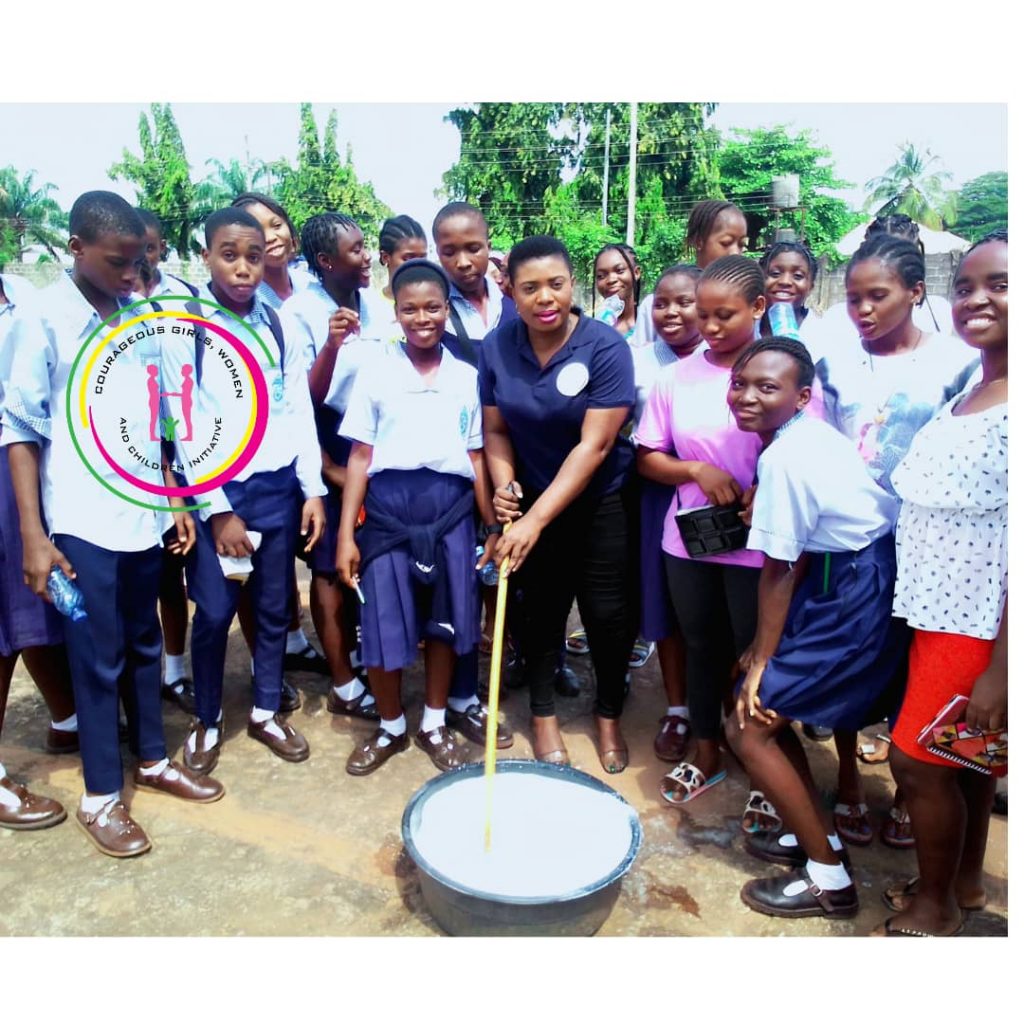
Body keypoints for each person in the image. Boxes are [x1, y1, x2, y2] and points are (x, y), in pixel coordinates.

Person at [2, 192, 223, 857]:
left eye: (140, 264)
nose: (131, 276)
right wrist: (35, 536)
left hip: (141, 515)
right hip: (80, 521)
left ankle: (152, 760)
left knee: (145, 642)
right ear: (76, 248)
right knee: (96, 660)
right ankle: (101, 797)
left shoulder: (140, 318)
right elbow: (19, 429)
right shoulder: (42, 319)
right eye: (118, 263)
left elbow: (157, 417)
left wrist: (174, 498)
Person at [723, 337, 903, 920]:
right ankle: (813, 836)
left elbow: (779, 568)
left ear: (801, 397)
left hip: (855, 591)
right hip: (839, 577)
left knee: (749, 725)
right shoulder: (803, 439)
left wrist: (764, 659)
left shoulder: (786, 458)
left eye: (766, 387)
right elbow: (798, 553)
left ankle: (830, 882)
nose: (746, 397)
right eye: (740, 384)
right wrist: (763, 650)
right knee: (757, 710)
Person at [814, 233, 978, 848]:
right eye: (854, 298)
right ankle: (849, 777)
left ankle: (912, 790)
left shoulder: (959, 364)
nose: (863, 310)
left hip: (931, 545)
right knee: (851, 659)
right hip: (854, 545)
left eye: (877, 296)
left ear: (914, 292)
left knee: (916, 664)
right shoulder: (833, 364)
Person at [164, 206, 326, 771]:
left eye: (254, 257)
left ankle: (264, 710)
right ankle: (207, 720)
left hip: (277, 490)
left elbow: (296, 408)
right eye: (229, 255)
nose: (242, 268)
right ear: (206, 255)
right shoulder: (187, 330)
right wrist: (217, 511)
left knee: (274, 606)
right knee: (214, 612)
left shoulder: (278, 324)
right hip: (220, 494)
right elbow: (183, 426)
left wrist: (311, 489)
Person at [879, 231, 1008, 937]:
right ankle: (963, 882)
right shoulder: (973, 389)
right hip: (937, 614)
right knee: (968, 761)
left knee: (918, 764)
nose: (976, 299)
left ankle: (934, 908)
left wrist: (1001, 668)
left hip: (979, 625)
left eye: (1000, 285)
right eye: (965, 286)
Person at [337, 259, 501, 774]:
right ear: (396, 310)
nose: (422, 318)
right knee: (382, 623)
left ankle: (433, 722)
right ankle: (390, 726)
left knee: (447, 622)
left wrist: (492, 526)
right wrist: (346, 535)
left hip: (450, 513)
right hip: (389, 514)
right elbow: (360, 456)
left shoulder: (466, 376)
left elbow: (475, 456)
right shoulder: (377, 374)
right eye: (410, 309)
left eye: (433, 307)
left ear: (447, 309)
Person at [481, 235, 639, 772]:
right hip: (531, 504)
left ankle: (608, 714)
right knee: (541, 613)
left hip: (600, 503)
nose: (544, 298)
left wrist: (534, 521)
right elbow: (496, 429)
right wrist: (506, 488)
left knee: (608, 616)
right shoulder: (497, 347)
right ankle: (543, 715)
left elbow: (595, 446)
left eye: (555, 284)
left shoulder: (605, 348)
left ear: (572, 284)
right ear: (510, 291)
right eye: (529, 288)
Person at [635, 255, 765, 802]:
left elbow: (808, 445)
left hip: (762, 544)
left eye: (723, 315)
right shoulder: (675, 378)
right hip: (689, 539)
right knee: (702, 645)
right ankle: (707, 750)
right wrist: (694, 471)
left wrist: (766, 487)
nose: (709, 327)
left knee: (756, 654)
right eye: (704, 315)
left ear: (758, 307)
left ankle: (765, 768)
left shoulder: (780, 369)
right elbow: (647, 456)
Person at [283, 212, 384, 723]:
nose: (367, 257)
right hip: (324, 438)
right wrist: (331, 345)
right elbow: (301, 396)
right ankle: (342, 681)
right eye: (356, 249)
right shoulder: (299, 311)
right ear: (325, 261)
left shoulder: (375, 305)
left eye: (365, 246)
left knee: (362, 554)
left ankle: (360, 655)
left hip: (371, 439)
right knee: (327, 564)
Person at [0, 270, 78, 829]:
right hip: (9, 457)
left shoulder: (22, 293)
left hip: (24, 463)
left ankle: (68, 719)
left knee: (34, 601)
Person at [631, 265, 703, 761]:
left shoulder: (730, 360)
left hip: (717, 495)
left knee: (713, 610)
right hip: (657, 491)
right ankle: (677, 709)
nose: (671, 312)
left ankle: (717, 709)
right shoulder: (638, 361)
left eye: (685, 302)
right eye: (661, 303)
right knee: (667, 606)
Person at [133, 208, 199, 713]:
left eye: (151, 248)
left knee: (174, 569)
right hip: (132, 449)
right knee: (140, 574)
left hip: (180, 442)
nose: (143, 258)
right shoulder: (111, 303)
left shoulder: (184, 298)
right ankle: (135, 683)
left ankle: (175, 670)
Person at [635, 200, 749, 342]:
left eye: (741, 245)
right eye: (726, 243)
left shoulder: (746, 303)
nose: (735, 253)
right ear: (698, 241)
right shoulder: (654, 306)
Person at [360, 215, 429, 341]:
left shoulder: (436, 306)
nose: (417, 265)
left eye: (422, 257)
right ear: (386, 257)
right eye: (408, 258)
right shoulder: (368, 307)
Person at [759, 240, 822, 354]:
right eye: (775, 273)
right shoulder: (744, 330)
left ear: (810, 287)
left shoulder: (823, 335)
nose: (785, 281)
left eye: (798, 276)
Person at [592, 243, 642, 344]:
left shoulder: (651, 325)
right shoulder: (593, 329)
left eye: (619, 271)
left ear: (636, 273)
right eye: (601, 276)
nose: (611, 280)